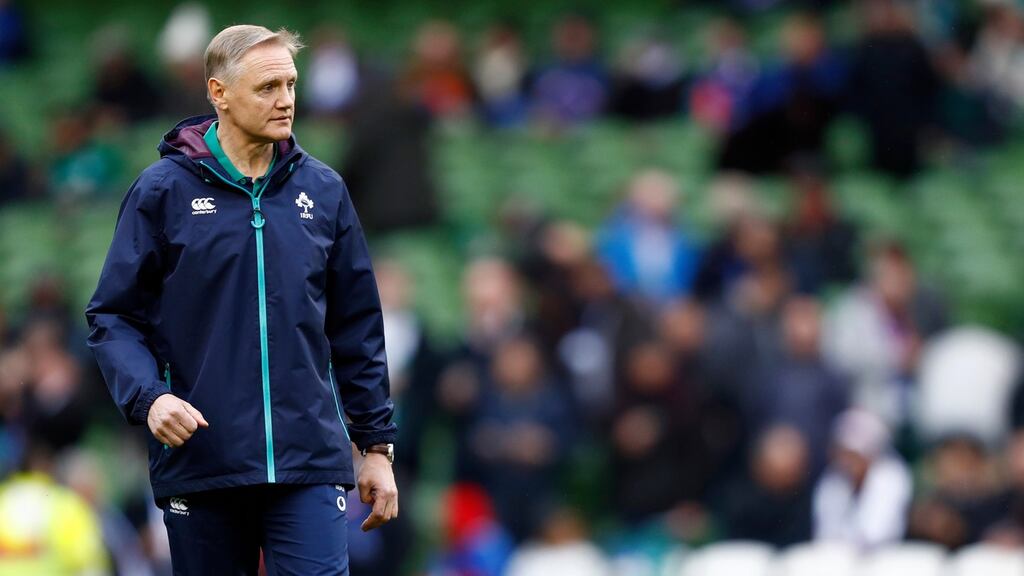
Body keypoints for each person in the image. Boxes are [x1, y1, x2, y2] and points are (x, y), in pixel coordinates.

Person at [85, 25, 398, 575]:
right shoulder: (162, 192)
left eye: (291, 84)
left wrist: (375, 446)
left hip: (309, 464)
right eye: (267, 87)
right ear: (218, 93)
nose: (285, 101)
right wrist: (150, 398)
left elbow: (357, 328)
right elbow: (113, 317)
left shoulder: (324, 192)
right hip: (204, 463)